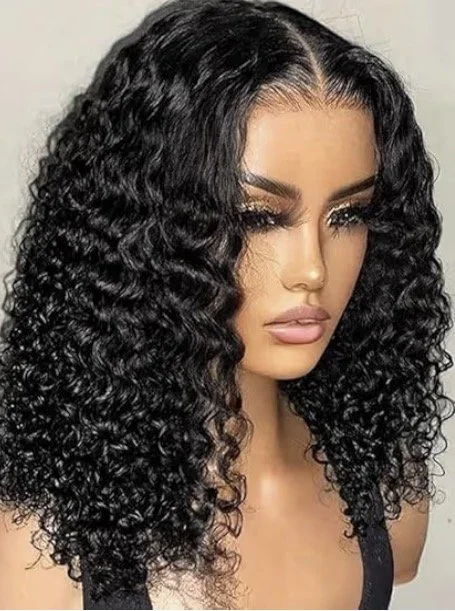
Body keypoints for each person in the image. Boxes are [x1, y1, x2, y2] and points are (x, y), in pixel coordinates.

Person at [0, 0, 451, 608]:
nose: (313, 269)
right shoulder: (36, 538)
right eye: (258, 218)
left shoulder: (384, 482)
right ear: (149, 228)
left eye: (348, 215)